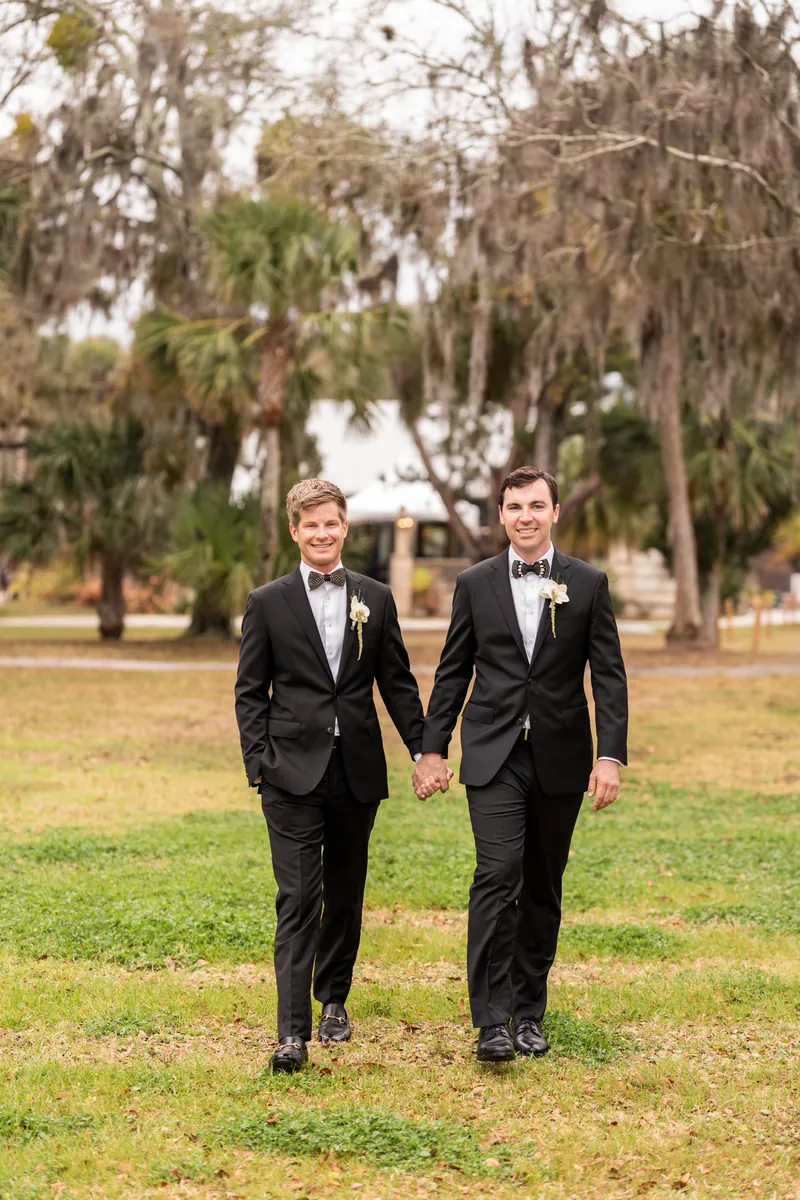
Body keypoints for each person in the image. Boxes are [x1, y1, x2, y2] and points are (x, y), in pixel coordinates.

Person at [413, 466, 628, 1063]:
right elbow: (453, 669)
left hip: (561, 755)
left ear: (556, 511)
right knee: (497, 873)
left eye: (536, 505)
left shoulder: (587, 583)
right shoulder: (475, 583)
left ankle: (529, 1012)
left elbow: (607, 676)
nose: (525, 516)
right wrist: (433, 746)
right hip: (493, 753)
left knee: (542, 883)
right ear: (501, 515)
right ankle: (491, 1020)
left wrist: (609, 756)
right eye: (514, 507)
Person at [235, 479, 425, 1073]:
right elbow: (249, 692)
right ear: (295, 531)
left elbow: (395, 681)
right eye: (310, 525)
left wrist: (424, 749)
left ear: (345, 527)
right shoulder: (268, 602)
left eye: (331, 523)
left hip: (356, 772)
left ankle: (334, 1000)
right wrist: (260, 764)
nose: (321, 533)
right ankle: (291, 1033)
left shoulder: (375, 596)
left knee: (344, 895)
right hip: (289, 773)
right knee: (298, 898)